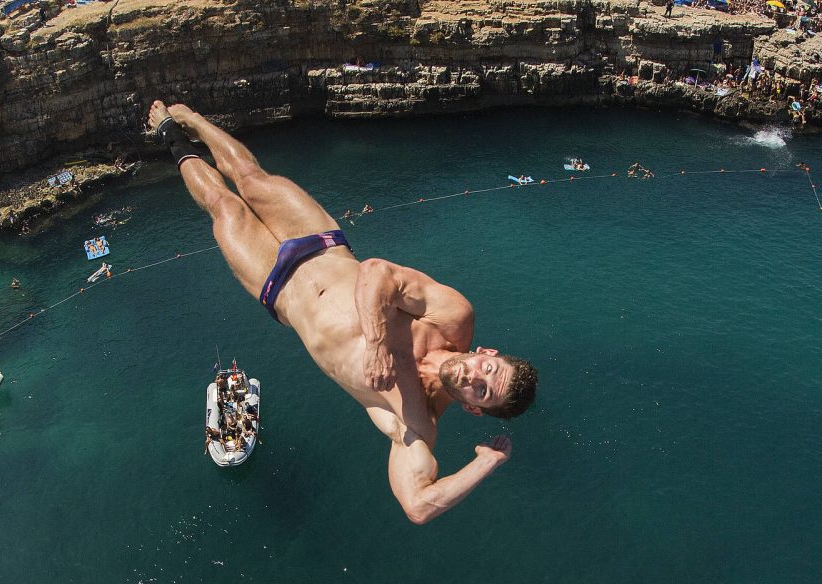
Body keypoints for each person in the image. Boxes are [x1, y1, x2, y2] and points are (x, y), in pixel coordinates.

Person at [155, 101, 536, 523]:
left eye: (481, 391)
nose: (475, 377)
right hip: (319, 242)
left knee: (223, 206)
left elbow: (418, 505)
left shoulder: (414, 422)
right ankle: (195, 120)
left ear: (472, 408)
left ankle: (171, 135)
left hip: (278, 288)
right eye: (487, 368)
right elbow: (377, 273)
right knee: (250, 177)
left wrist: (486, 462)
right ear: (487, 351)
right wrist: (377, 344)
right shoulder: (453, 318)